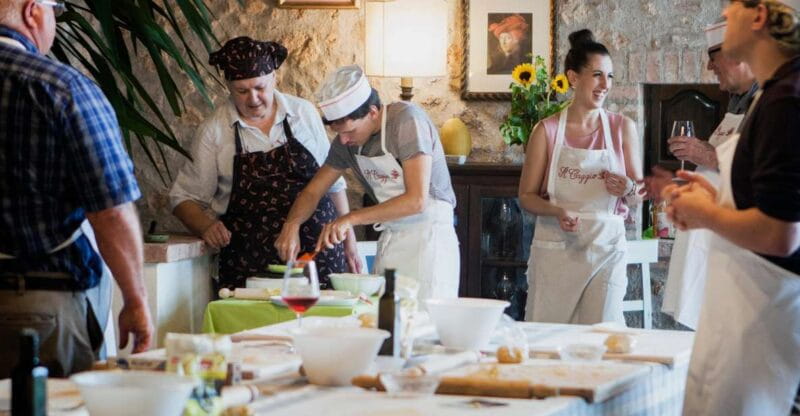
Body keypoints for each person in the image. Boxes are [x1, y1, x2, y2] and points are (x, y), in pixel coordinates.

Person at [0, 0, 153, 377]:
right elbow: (112, 211)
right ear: (33, 12)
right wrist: (136, 299)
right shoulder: (60, 88)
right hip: (35, 308)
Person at [661, 1, 800, 414]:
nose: (721, 19)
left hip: (766, 318)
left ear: (758, 18)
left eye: (731, 10)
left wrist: (705, 214)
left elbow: (782, 232)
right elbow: (765, 199)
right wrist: (712, 195)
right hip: (749, 310)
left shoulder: (785, 101)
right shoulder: (773, 93)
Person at [169, 37, 359, 290]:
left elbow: (333, 184)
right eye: (242, 91)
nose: (253, 99)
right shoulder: (214, 131)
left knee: (322, 326)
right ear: (229, 87)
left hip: (319, 255)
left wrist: (350, 243)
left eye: (260, 88)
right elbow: (182, 198)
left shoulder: (303, 113)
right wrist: (205, 225)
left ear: (274, 79)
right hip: (250, 263)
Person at [275, 65, 460, 302]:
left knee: (424, 326)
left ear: (373, 111)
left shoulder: (407, 121)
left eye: (350, 131)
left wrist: (350, 218)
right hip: (393, 238)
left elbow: (417, 200)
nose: (343, 140)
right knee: (387, 322)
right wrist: (292, 225)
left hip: (429, 240)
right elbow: (312, 192)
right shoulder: (346, 143)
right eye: (338, 133)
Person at [519, 29, 645, 325]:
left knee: (602, 333)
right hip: (556, 251)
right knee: (548, 338)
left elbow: (639, 192)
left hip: (607, 250)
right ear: (574, 78)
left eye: (610, 76)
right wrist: (557, 211)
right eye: (598, 75)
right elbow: (526, 196)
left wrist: (628, 187)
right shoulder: (546, 131)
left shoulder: (622, 128)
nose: (606, 85)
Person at [655, 19, 758, 330]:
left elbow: (755, 168)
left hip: (734, 239)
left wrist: (706, 155)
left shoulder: (768, 105)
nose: (711, 68)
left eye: (714, 59)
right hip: (710, 232)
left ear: (736, 56)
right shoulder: (736, 104)